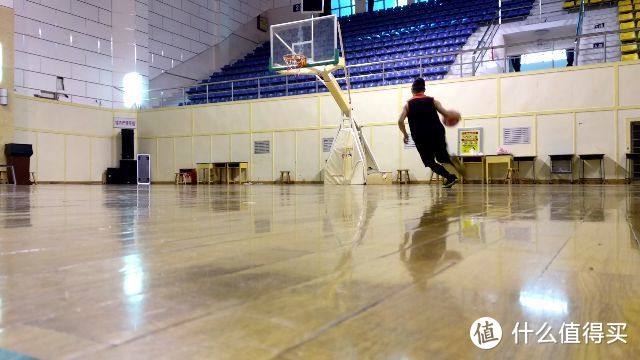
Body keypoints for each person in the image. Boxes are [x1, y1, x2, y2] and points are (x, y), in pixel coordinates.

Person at [397, 78, 464, 188]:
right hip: (437, 133)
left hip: (421, 137)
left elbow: (400, 121)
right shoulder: (433, 101)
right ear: (424, 89)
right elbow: (447, 114)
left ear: (412, 90)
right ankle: (452, 161)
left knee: (429, 162)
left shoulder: (408, 105)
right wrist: (456, 115)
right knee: (442, 157)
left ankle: (450, 177)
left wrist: (405, 134)